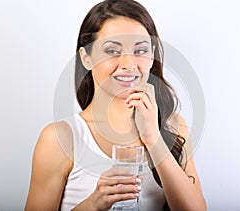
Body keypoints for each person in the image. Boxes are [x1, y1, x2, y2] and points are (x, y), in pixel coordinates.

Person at [25, 0, 206, 210]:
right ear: (86, 58)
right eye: (112, 51)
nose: (129, 65)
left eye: (140, 50)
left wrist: (153, 139)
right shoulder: (60, 138)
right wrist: (94, 203)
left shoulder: (174, 126)